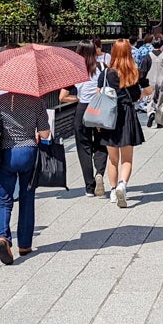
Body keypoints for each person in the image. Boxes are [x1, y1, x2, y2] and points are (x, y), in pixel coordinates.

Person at [0, 89, 54, 263]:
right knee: (27, 197)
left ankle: (2, 238)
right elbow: (45, 133)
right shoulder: (37, 101)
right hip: (29, 153)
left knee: (3, 200)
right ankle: (24, 244)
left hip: (6, 155)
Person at [102, 39, 147, 207]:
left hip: (110, 117)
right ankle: (123, 185)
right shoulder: (134, 72)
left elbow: (100, 93)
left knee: (112, 158)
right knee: (127, 158)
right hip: (127, 114)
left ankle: (113, 191)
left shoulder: (107, 73)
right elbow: (140, 94)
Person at [65, 43, 109, 195]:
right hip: (99, 108)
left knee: (84, 147)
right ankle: (100, 173)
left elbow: (62, 97)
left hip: (82, 109)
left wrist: (78, 97)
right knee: (101, 143)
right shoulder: (102, 66)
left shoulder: (75, 70)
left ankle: (89, 187)